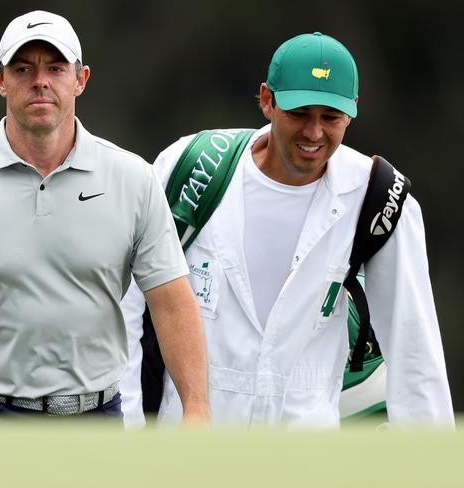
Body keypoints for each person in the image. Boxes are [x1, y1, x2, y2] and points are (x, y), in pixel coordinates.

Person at [0, 10, 210, 424]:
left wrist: (197, 407)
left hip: (95, 415)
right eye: (22, 69)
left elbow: (172, 303)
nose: (40, 81)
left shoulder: (133, 179)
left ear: (80, 79)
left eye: (55, 68)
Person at [120, 32, 454, 428]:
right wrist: (127, 431)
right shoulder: (189, 168)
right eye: (299, 113)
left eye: (330, 117)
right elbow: (125, 308)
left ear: (352, 112)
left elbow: (414, 350)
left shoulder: (379, 198)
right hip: (192, 446)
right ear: (266, 100)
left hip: (306, 455)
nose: (313, 133)